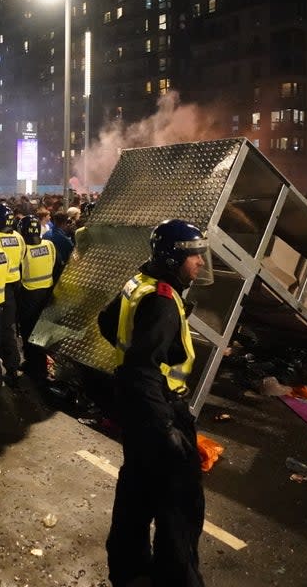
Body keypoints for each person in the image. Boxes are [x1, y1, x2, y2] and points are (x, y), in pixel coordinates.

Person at [98, 219, 210, 587]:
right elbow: (142, 369)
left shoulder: (141, 282)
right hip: (160, 410)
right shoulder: (161, 300)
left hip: (137, 410)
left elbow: (106, 320)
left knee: (135, 496)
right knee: (180, 509)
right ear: (173, 257)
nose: (201, 263)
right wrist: (165, 428)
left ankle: (128, 571)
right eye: (194, 256)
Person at [16, 214, 57, 381]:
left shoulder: (23, 249)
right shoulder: (49, 245)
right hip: (47, 294)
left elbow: (18, 273)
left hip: (28, 294)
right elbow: (56, 265)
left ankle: (34, 366)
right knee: (42, 332)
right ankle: (40, 364)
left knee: (28, 332)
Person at [0, 203, 24, 386]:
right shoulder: (18, 237)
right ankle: (12, 368)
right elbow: (23, 257)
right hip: (13, 287)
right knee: (8, 330)